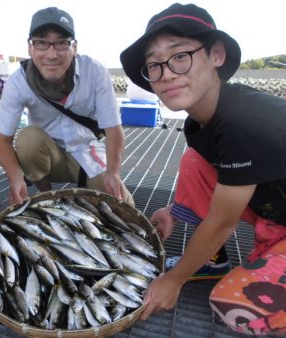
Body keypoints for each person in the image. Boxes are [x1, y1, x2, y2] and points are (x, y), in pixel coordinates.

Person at [120, 3, 286, 335]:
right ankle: (214, 259)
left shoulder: (245, 121)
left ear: (217, 55)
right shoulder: (201, 120)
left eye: (180, 56)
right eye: (153, 65)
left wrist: (173, 279)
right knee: (194, 161)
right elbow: (217, 181)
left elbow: (223, 221)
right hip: (274, 206)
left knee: (234, 306)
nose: (165, 73)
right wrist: (175, 211)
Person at [0, 7, 134, 206]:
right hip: (47, 156)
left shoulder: (95, 72)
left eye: (61, 43)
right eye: (41, 43)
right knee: (28, 139)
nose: (51, 54)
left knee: (121, 204)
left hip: (87, 151)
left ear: (74, 47)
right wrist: (15, 178)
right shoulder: (18, 82)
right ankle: (49, 199)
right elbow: (3, 142)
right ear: (30, 47)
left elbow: (114, 131)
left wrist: (113, 172)